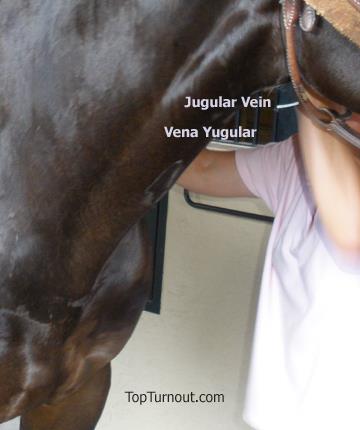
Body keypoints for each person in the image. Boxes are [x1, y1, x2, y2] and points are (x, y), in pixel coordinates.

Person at [177, 109, 360, 430]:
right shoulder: (296, 159)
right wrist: (163, 106)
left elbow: (350, 232)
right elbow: (201, 169)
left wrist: (308, 94)